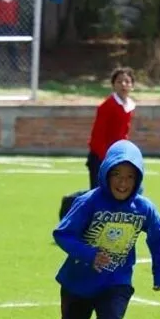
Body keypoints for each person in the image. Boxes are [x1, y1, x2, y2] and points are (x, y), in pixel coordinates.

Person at [39, 140, 160, 319]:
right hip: (78, 282)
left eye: (130, 177)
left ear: (138, 178)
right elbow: (62, 234)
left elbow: (159, 236)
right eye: (117, 175)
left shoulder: (143, 208)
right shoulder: (89, 201)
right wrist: (89, 254)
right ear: (106, 173)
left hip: (115, 282)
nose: (123, 183)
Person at [59, 67, 136, 219]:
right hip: (100, 157)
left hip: (115, 158)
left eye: (127, 81)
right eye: (119, 81)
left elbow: (123, 134)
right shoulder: (107, 106)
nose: (123, 84)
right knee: (98, 193)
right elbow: (98, 136)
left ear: (132, 85)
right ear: (113, 85)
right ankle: (70, 202)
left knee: (111, 192)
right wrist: (104, 159)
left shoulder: (128, 106)